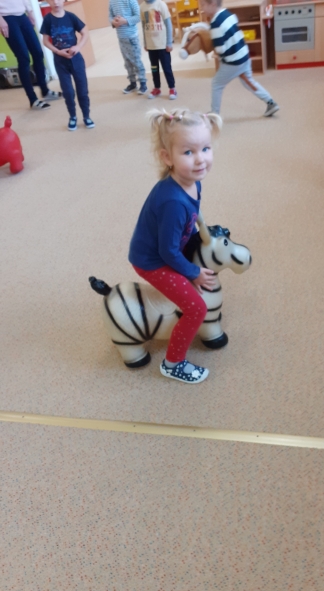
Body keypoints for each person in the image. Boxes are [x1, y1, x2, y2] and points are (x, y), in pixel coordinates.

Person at [129, 108, 222, 384]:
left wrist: (202, 230)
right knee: (197, 309)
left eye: (206, 149)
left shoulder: (191, 182)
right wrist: (193, 272)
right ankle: (173, 363)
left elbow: (193, 213)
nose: (200, 159)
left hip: (171, 245)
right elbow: (167, 252)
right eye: (188, 152)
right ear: (167, 157)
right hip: (153, 261)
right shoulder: (173, 201)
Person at [199, 0, 279, 117]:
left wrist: (211, 44)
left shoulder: (215, 24)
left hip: (233, 62)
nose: (202, 9)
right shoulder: (227, 13)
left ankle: (214, 114)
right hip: (244, 55)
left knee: (216, 84)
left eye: (203, 5)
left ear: (213, 4)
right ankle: (271, 102)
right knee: (249, 82)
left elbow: (220, 50)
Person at [40, 0, 94, 131]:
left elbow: (85, 33)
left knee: (82, 90)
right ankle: (72, 117)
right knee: (68, 92)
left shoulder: (71, 16)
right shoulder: (47, 19)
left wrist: (78, 47)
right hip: (60, 62)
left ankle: (86, 116)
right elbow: (45, 41)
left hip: (76, 60)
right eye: (52, 0)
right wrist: (57, 51)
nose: (55, 2)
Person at [0, 0, 61, 110]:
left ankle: (45, 91)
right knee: (23, 57)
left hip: (22, 15)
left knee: (38, 53)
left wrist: (30, 11)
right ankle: (33, 100)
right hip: (6, 18)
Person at [140, 0, 177, 100]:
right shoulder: (142, 7)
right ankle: (157, 88)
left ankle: (172, 88)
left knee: (167, 68)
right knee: (154, 68)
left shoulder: (161, 4)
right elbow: (143, 26)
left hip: (162, 45)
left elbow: (168, 24)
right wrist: (145, 43)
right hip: (151, 46)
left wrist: (169, 42)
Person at [109, 0, 147, 95]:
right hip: (121, 38)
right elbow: (110, 16)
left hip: (132, 37)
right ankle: (132, 83)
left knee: (136, 61)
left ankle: (143, 83)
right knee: (127, 62)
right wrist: (113, 22)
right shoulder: (112, 1)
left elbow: (138, 16)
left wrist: (125, 21)